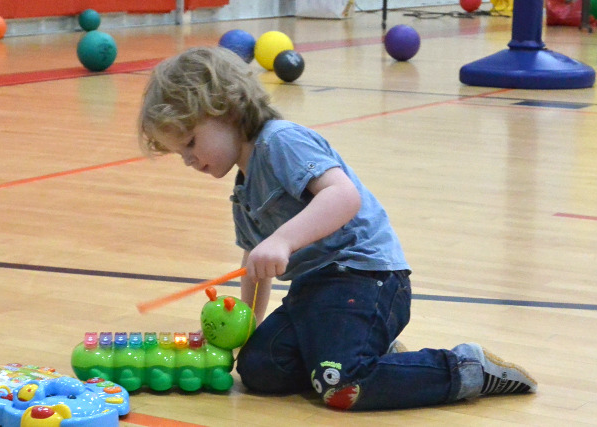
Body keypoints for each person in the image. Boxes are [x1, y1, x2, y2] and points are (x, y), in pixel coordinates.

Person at [137, 46, 536, 410]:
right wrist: (249, 330)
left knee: (342, 384)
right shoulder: (243, 188)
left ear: (226, 110)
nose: (188, 159)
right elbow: (254, 264)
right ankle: (366, 346)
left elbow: (343, 197)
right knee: (259, 370)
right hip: (315, 291)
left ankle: (467, 368)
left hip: (366, 278)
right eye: (180, 153)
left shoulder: (281, 142)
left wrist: (281, 239)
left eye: (190, 142)